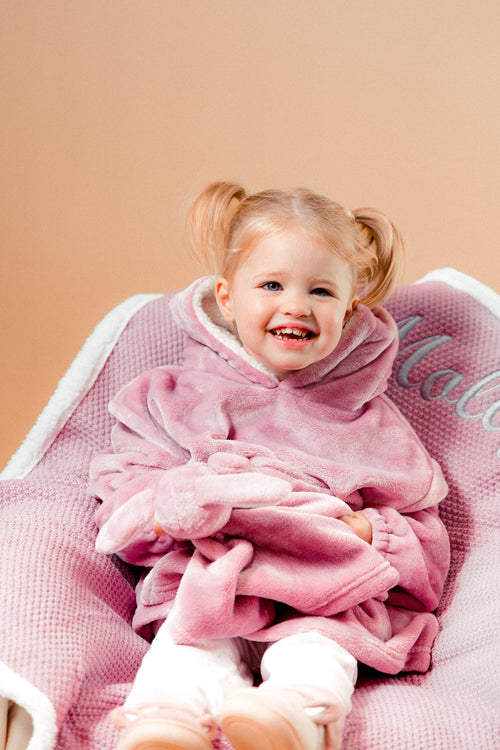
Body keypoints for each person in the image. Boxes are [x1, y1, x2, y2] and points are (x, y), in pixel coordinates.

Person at [89, 181, 450, 750]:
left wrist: (366, 530)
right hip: (212, 582)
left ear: (349, 308)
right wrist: (170, 509)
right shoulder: (172, 396)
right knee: (185, 649)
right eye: (272, 285)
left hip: (326, 592)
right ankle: (168, 722)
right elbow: (124, 491)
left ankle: (295, 718)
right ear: (228, 298)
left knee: (318, 653)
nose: (297, 305)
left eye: (322, 290)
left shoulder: (370, 421)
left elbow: (423, 532)